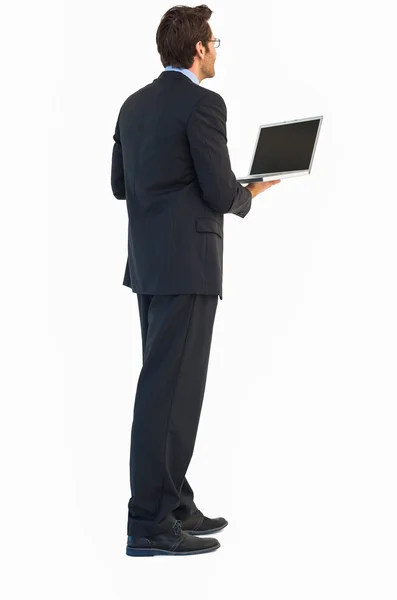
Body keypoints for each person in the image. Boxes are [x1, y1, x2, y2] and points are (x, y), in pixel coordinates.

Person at [111, 4, 281, 558]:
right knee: (169, 395)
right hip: (188, 266)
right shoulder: (205, 105)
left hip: (150, 268)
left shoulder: (132, 106)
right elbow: (215, 190)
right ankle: (150, 524)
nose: (217, 49)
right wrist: (250, 192)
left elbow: (120, 185)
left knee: (169, 389)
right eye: (214, 41)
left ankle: (175, 501)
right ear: (198, 49)